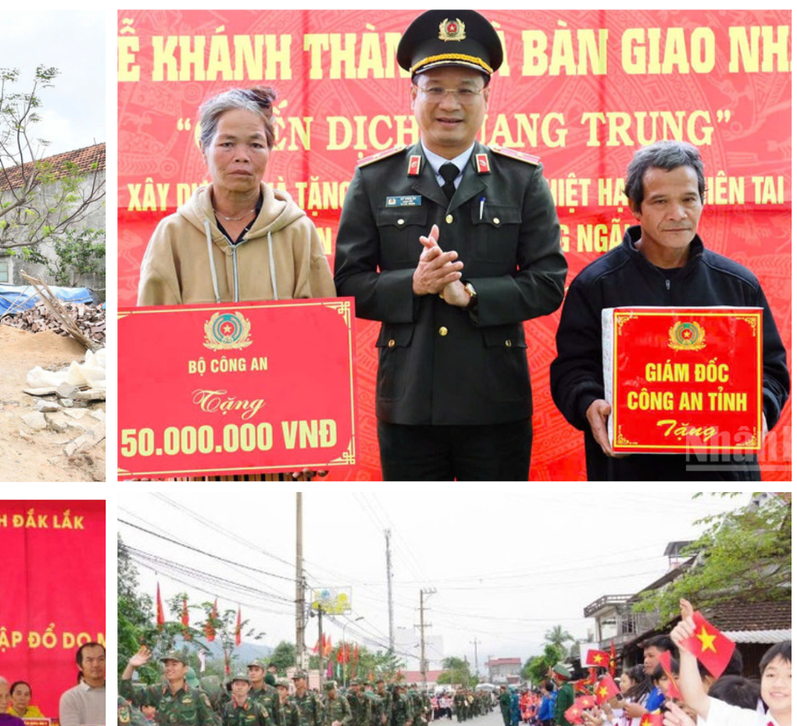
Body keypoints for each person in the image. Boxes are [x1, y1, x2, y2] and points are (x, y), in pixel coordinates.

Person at [333, 8, 568, 480]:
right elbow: (346, 284)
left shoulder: (520, 179)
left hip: (494, 403)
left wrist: (473, 294)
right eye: (436, 88)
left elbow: (548, 281)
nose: (450, 103)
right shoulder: (375, 178)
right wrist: (413, 285)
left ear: (486, 98)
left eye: (465, 89)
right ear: (412, 95)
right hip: (409, 403)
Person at [549, 140, 790, 480]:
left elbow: (771, 372)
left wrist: (761, 408)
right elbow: (572, 371)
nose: (677, 214)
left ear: (702, 201)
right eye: (660, 201)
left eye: (689, 199)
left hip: (720, 469)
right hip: (628, 470)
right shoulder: (597, 284)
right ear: (635, 206)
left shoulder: (738, 285)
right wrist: (589, 404)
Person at [137, 86, 333, 305]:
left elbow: (322, 325)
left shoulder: (298, 232)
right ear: (204, 149)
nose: (242, 156)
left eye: (255, 145)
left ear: (269, 150)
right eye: (227, 144)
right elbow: (153, 330)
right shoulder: (173, 234)